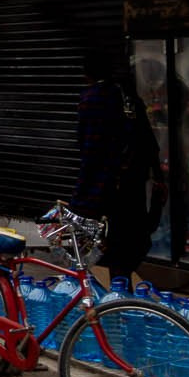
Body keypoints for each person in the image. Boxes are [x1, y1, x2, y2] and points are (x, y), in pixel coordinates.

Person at [70, 54, 163, 277]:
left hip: (98, 185)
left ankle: (99, 293)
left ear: (87, 75)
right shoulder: (128, 98)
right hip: (129, 182)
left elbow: (85, 145)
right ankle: (121, 285)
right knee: (127, 238)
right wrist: (158, 175)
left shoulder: (89, 99)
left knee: (93, 240)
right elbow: (148, 141)